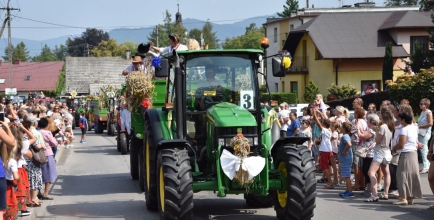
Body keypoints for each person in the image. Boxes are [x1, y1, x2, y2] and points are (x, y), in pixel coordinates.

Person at [391, 112, 422, 205]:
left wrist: (394, 148)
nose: (399, 121)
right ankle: (410, 196)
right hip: (413, 153)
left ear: (403, 120)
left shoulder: (404, 129)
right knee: (412, 175)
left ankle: (403, 197)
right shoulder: (414, 128)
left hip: (406, 154)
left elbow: (401, 144)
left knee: (402, 175)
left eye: (400, 119)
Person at [364, 107, 394, 202]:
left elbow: (377, 140)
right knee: (386, 172)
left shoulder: (383, 127)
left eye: (380, 114)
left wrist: (377, 132)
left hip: (380, 151)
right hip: (387, 151)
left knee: (371, 172)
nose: (379, 115)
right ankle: (385, 193)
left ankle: (374, 194)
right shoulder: (390, 126)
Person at [23, 115, 44, 207]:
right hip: (32, 161)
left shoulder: (18, 135)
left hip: (24, 161)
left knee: (28, 179)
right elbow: (38, 146)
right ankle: (33, 199)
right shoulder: (30, 135)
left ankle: (31, 199)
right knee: (34, 179)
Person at [37, 118, 58, 201]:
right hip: (47, 153)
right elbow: (54, 143)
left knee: (39, 173)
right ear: (46, 125)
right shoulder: (47, 132)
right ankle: (46, 193)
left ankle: (38, 192)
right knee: (49, 173)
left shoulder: (36, 132)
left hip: (37, 154)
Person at [313, 110, 334, 189]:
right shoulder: (328, 129)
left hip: (325, 151)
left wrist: (315, 114)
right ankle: (330, 181)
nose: (321, 123)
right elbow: (324, 121)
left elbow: (318, 123)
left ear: (324, 125)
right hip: (328, 150)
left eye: (322, 123)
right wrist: (320, 114)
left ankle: (330, 182)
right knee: (326, 166)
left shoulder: (325, 130)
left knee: (324, 167)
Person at [338, 122, 354, 198]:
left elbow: (349, 144)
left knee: (347, 176)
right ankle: (348, 190)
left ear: (344, 129)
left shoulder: (345, 136)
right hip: (345, 159)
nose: (340, 128)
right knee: (345, 175)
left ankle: (350, 191)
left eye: (341, 127)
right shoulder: (345, 136)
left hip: (346, 159)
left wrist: (344, 151)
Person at [417, 98, 432, 174]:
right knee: (423, 149)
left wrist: (420, 126)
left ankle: (426, 167)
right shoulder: (422, 112)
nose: (420, 105)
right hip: (421, 132)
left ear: (426, 105)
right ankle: (427, 166)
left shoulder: (428, 112)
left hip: (425, 133)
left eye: (421, 104)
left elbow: (430, 123)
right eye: (420, 103)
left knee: (424, 149)